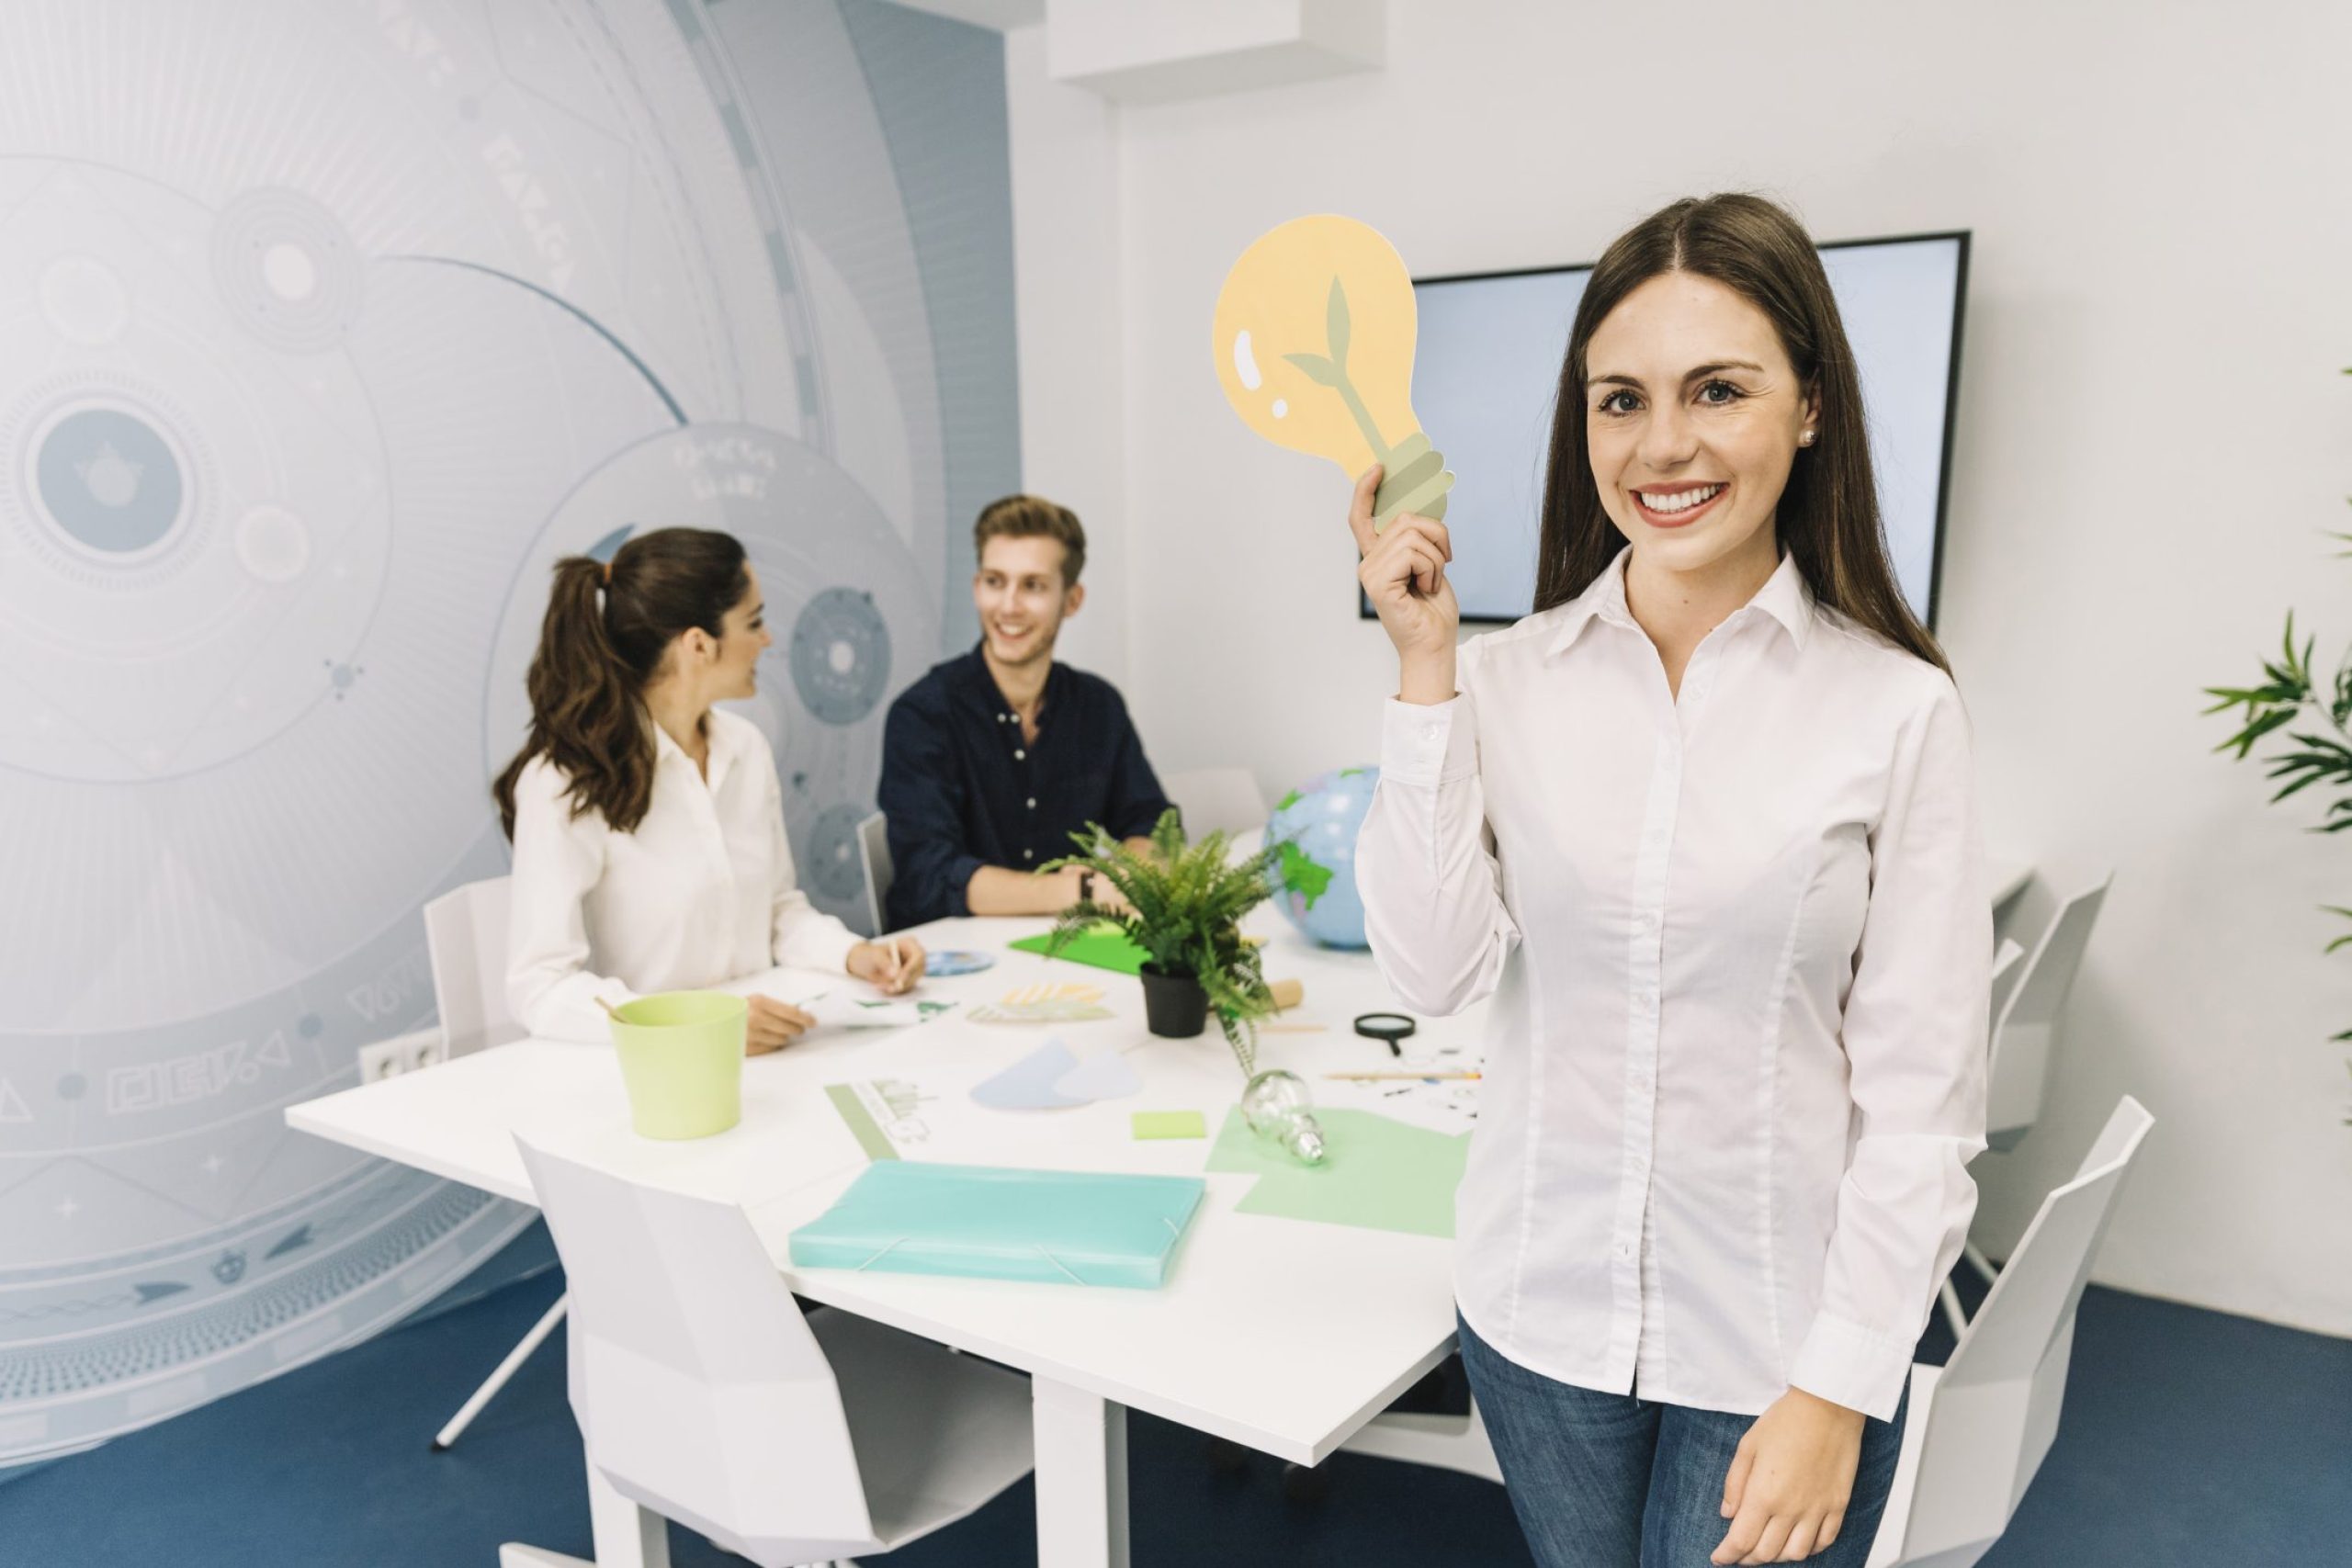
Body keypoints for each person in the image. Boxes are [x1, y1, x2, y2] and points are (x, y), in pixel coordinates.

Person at [1353, 193, 1990, 1568]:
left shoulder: (1895, 709)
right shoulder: (1503, 679)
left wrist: (1840, 1380)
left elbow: (1924, 1105)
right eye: (1619, 399)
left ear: (1810, 406)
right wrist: (1422, 668)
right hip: (1538, 1314)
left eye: (1719, 390)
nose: (1662, 445)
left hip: (1780, 1336)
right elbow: (1433, 969)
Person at [494, 527, 924, 1051]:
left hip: (766, 1057)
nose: (767, 639)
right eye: (755, 621)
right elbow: (540, 986)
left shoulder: (746, 749)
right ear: (698, 644)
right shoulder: (567, 781)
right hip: (655, 1078)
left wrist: (854, 955)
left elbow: (777, 911)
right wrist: (700, 1027)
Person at [878, 494, 1172, 929]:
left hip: (1066, 950)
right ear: (977, 587)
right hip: (952, 962)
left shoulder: (1097, 707)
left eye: (1032, 586)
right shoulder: (922, 714)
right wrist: (1082, 890)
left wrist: (1129, 872)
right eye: (995, 582)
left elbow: (1154, 823)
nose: (1009, 606)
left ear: (1071, 600)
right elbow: (930, 875)